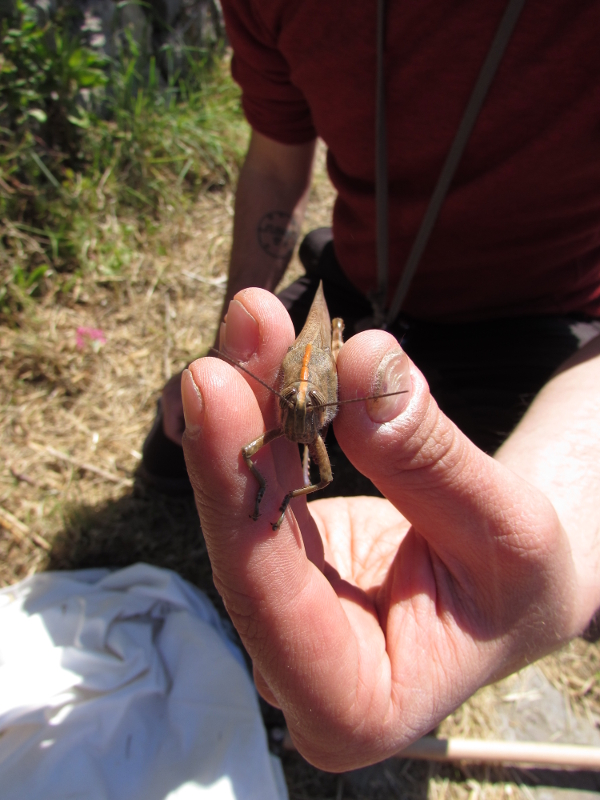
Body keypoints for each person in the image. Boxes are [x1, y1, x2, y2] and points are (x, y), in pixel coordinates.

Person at [144, 0, 600, 771]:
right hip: (356, 286)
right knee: (177, 456)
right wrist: (223, 352)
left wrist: (571, 528)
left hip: (551, 320)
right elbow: (275, 162)